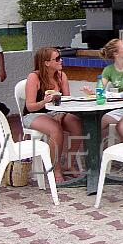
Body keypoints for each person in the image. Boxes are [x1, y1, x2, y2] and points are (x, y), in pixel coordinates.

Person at [23, 47, 83, 183]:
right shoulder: (34, 77)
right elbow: (30, 106)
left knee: (76, 124)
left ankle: (69, 163)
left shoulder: (61, 75)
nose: (60, 60)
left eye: (60, 57)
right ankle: (55, 169)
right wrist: (45, 101)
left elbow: (67, 100)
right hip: (35, 114)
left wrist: (62, 114)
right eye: (57, 59)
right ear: (46, 63)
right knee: (56, 129)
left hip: (56, 111)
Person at [83, 39, 123, 141]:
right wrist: (92, 93)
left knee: (121, 127)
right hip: (118, 109)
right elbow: (100, 89)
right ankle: (92, 154)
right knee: (95, 125)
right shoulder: (108, 70)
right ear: (116, 53)